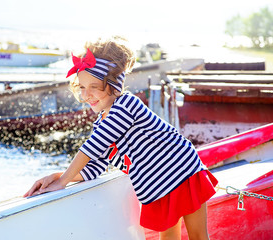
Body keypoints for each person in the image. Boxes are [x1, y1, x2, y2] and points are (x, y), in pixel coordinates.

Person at [24, 36, 218, 240]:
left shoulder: (126, 105)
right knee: (168, 236)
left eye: (94, 87)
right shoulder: (101, 123)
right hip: (156, 185)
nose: (86, 95)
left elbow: (93, 146)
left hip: (182, 169)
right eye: (81, 87)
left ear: (113, 85)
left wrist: (63, 181)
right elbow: (94, 167)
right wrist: (57, 177)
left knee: (198, 236)